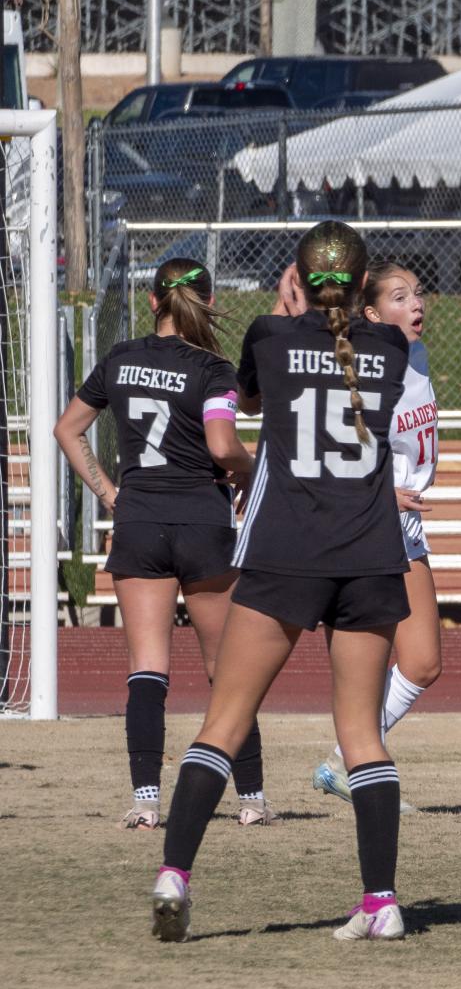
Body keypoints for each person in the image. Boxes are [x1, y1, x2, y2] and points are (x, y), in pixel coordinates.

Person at [147, 222, 415, 943]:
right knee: (361, 734)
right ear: (362, 285)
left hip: (285, 552)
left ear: (296, 279)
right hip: (368, 554)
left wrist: (289, 314)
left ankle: (175, 873)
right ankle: (380, 899)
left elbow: (255, 401)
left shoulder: (270, 333)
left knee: (224, 723)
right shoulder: (392, 347)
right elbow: (353, 347)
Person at [53, 259, 267, 828]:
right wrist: (250, 472)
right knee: (229, 668)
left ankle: (146, 801)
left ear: (152, 302)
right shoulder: (213, 369)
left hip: (140, 523)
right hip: (202, 523)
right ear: (205, 300)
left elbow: (66, 430)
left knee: (147, 669)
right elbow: (223, 447)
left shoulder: (120, 359)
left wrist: (109, 492)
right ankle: (251, 798)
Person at [312, 262, 440, 809]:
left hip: (406, 523)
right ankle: (352, 762)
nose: (417, 304)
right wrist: (382, 492)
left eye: (417, 294)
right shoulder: (359, 366)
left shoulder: (416, 357)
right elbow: (330, 443)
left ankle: (348, 760)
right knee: (394, 658)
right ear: (370, 312)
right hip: (370, 519)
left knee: (424, 662)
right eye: (399, 296)